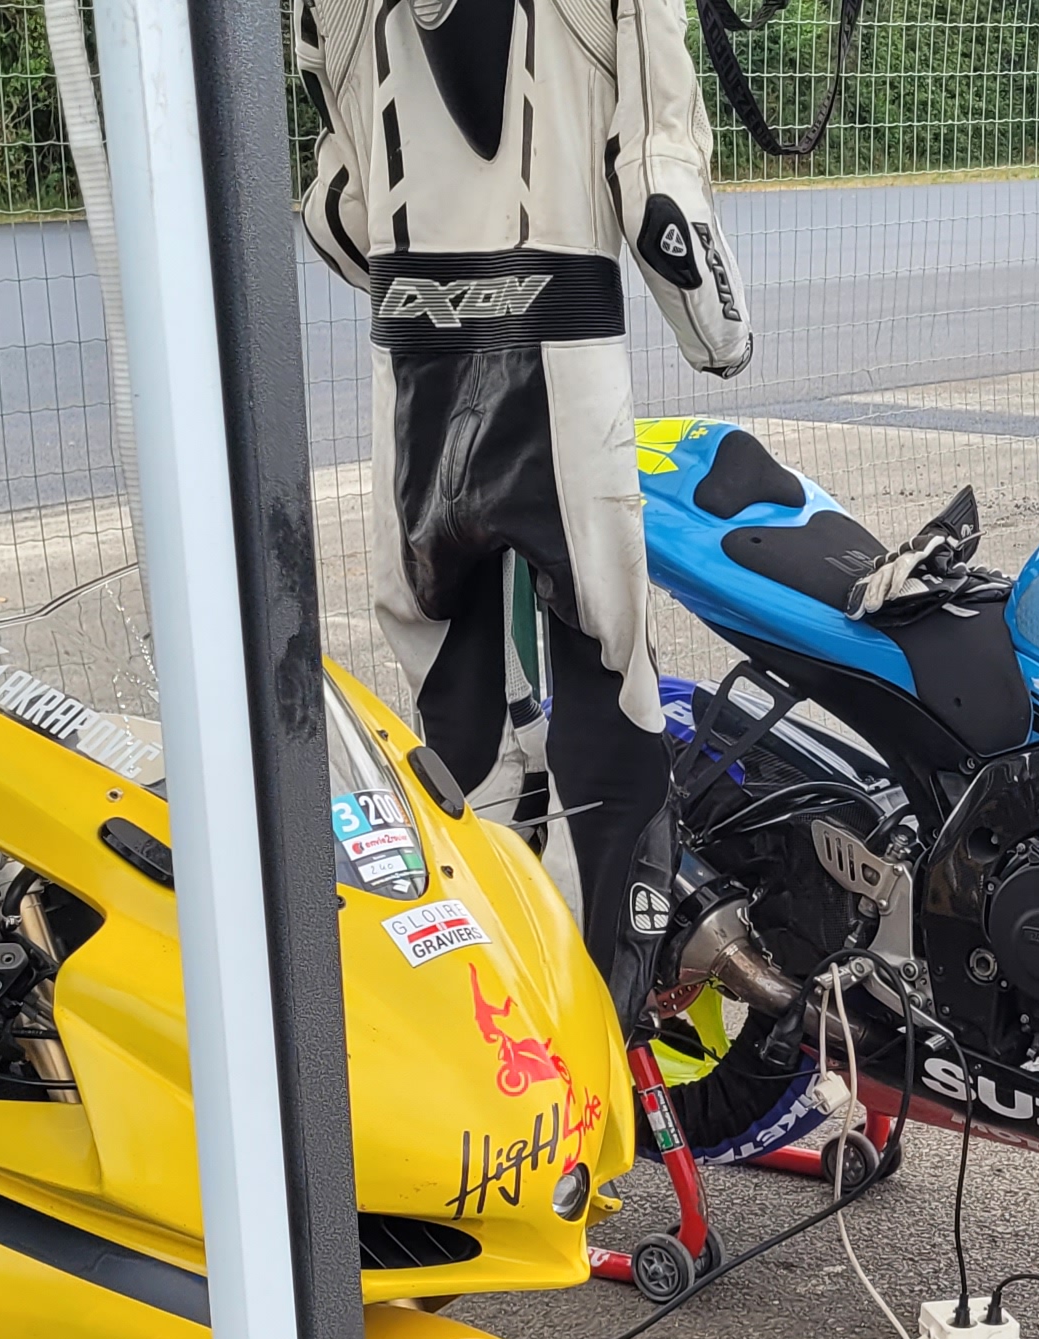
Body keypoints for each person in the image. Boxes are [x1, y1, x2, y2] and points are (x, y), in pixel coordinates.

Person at [293, 0, 756, 1023]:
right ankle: (595, 1036)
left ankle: (484, 1034)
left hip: (412, 378)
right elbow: (661, 198)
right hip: (562, 365)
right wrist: (723, 337)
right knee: (607, 703)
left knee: (457, 730)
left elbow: (334, 209)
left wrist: (422, 281)